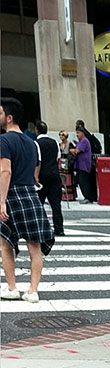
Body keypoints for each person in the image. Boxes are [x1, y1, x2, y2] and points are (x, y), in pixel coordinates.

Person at [0, 97, 54, 302]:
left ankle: (12, 287)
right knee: (35, 247)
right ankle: (33, 291)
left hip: (11, 193)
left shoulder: (4, 141)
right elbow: (33, 170)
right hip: (30, 194)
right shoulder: (32, 143)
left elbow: (5, 171)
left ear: (9, 117)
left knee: (6, 243)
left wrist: (1, 201)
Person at [36, 121, 65, 236]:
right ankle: (59, 228)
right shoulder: (55, 142)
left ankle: (41, 227)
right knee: (56, 204)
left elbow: (38, 161)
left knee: (39, 203)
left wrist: (35, 177)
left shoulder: (36, 143)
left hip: (42, 175)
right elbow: (58, 158)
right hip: (54, 174)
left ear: (37, 130)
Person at [70, 126, 94, 202]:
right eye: (76, 133)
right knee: (81, 181)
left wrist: (70, 150)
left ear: (83, 133)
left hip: (84, 165)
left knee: (83, 181)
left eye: (78, 133)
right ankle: (86, 197)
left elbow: (76, 151)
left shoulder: (84, 141)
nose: (77, 135)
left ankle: (88, 197)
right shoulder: (80, 142)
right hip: (80, 165)